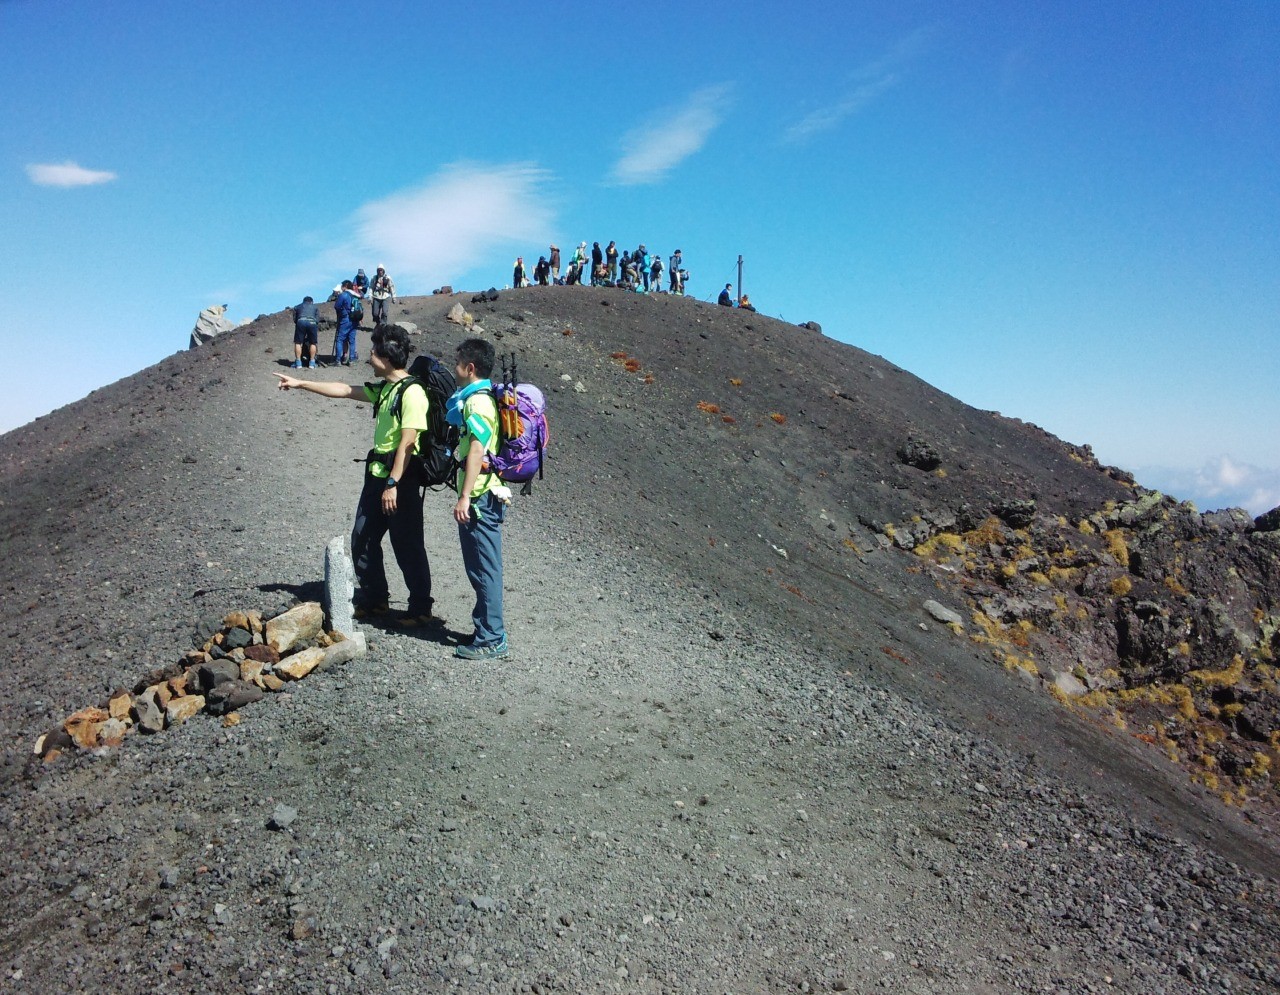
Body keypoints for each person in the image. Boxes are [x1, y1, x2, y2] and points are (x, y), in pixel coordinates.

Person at [274, 325, 436, 624]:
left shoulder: (412, 392)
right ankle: (376, 599)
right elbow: (345, 390)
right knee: (363, 538)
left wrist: (393, 483)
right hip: (377, 477)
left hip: (400, 481)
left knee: (407, 544)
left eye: (373, 352)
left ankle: (421, 609)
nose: (369, 356)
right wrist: (301, 383)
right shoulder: (386, 389)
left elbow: (409, 441)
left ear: (387, 357)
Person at [449, 338, 509, 660]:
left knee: (484, 569)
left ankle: (492, 638)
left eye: (456, 362)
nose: (453, 368)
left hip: (481, 497)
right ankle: (486, 630)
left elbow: (476, 449)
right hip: (484, 494)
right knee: (482, 567)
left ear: (469, 368)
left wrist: (465, 496)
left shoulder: (477, 403)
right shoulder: (480, 399)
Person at [333, 280, 360, 365]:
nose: (341, 288)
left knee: (340, 339)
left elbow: (337, 306)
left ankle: (338, 360)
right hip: (355, 319)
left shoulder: (343, 295)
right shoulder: (356, 295)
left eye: (342, 286)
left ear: (345, 286)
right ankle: (351, 359)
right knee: (352, 340)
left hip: (345, 319)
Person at [292, 295, 320, 368]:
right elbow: (317, 320)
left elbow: (295, 319)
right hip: (312, 323)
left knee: (298, 342)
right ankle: (312, 363)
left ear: (303, 301)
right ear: (312, 302)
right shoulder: (315, 307)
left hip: (301, 321)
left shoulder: (297, 307)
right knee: (313, 343)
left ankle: (298, 363)